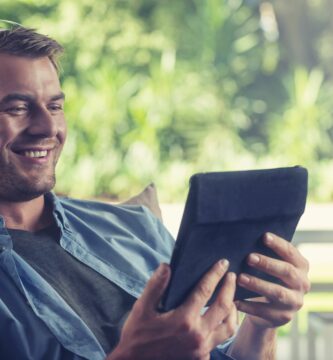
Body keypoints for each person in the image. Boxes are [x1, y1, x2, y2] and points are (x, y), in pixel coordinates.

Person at [0, 25, 310, 360]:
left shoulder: (135, 227)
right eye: (18, 108)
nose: (48, 127)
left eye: (55, 106)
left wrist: (261, 325)